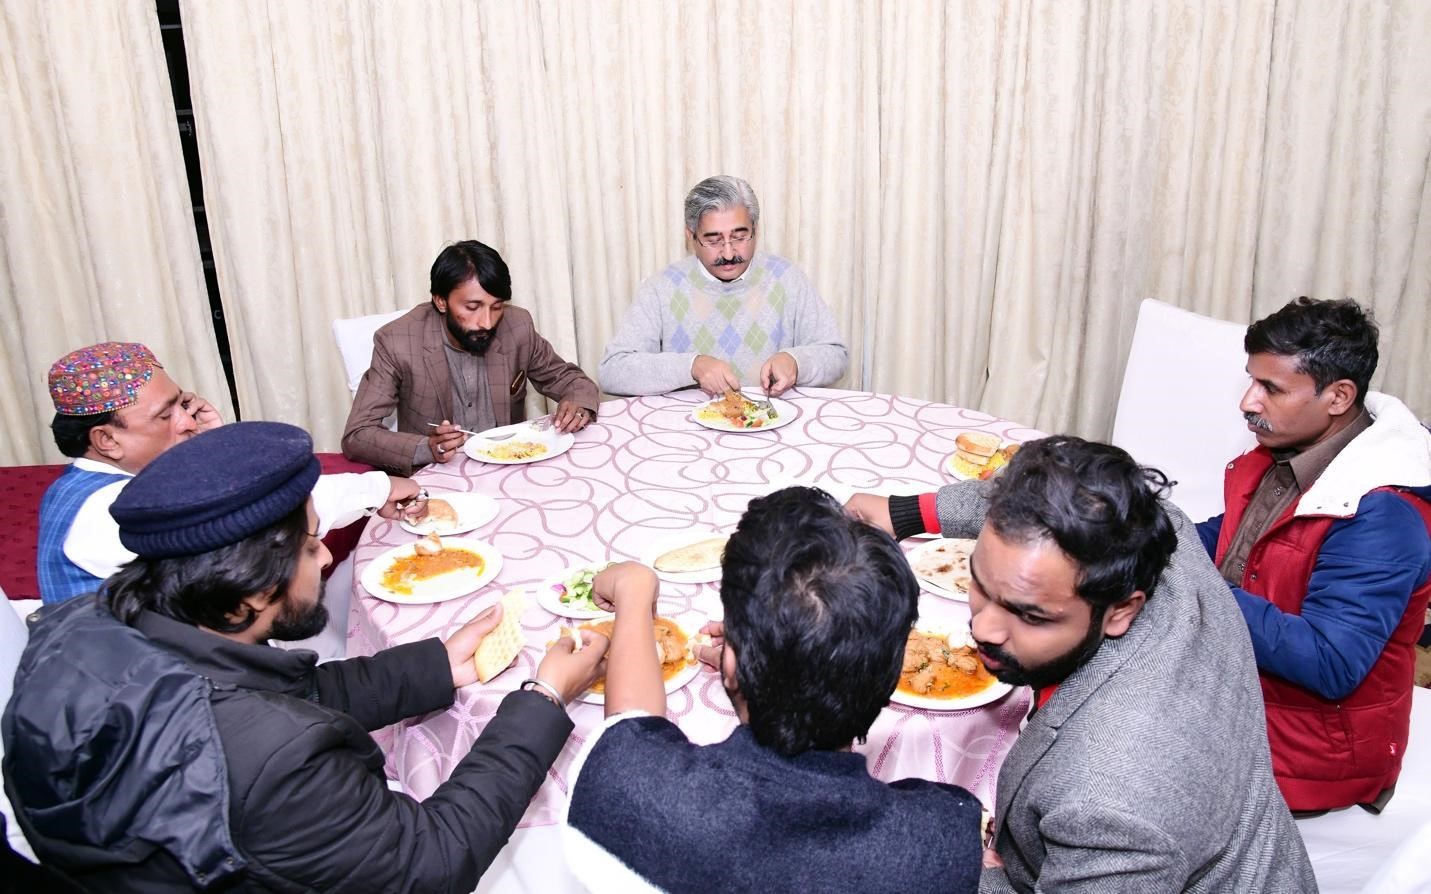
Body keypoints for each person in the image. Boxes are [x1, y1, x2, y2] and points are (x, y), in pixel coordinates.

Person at [4, 422, 608, 892]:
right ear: (254, 587)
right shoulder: (274, 760)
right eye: (312, 543)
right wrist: (544, 700)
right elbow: (430, 864)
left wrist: (435, 665)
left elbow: (257, 698)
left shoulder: (81, 625)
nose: (325, 560)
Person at [846, 437, 1315, 892]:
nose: (983, 627)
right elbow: (1031, 503)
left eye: (1030, 614)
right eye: (981, 584)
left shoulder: (1112, 804)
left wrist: (971, 874)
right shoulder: (1158, 530)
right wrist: (910, 511)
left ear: (1121, 611)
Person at [563, 487, 983, 893]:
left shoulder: (621, 783)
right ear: (891, 677)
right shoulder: (943, 842)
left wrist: (634, 594)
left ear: (730, 666)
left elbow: (631, 727)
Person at [1194, 297, 1431, 814]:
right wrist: (1139, 531)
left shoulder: (1383, 513)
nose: (1248, 402)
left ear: (1339, 396)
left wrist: (1199, 587)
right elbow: (1234, 539)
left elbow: (1331, 661)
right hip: (1243, 690)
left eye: (1271, 388)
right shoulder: (1293, 450)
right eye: (1251, 382)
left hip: (1311, 752)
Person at [37, 342, 425, 605]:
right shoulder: (109, 512)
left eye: (182, 404)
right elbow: (258, 526)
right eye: (164, 415)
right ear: (106, 440)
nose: (188, 421)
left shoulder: (103, 484)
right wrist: (379, 485)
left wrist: (210, 450)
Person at [342, 240, 599, 475]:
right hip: (438, 477)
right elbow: (358, 434)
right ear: (441, 301)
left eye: (497, 306)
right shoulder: (397, 342)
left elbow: (570, 380)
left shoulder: (516, 326)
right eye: (473, 307)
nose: (487, 322)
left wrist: (577, 401)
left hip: (510, 467)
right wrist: (427, 447)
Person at [597, 175, 848, 397]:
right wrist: (691, 367)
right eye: (713, 239)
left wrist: (795, 361)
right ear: (691, 236)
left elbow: (835, 355)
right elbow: (613, 370)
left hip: (772, 430)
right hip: (686, 437)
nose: (728, 253)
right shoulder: (661, 289)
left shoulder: (788, 280)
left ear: (755, 230)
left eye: (739, 237)